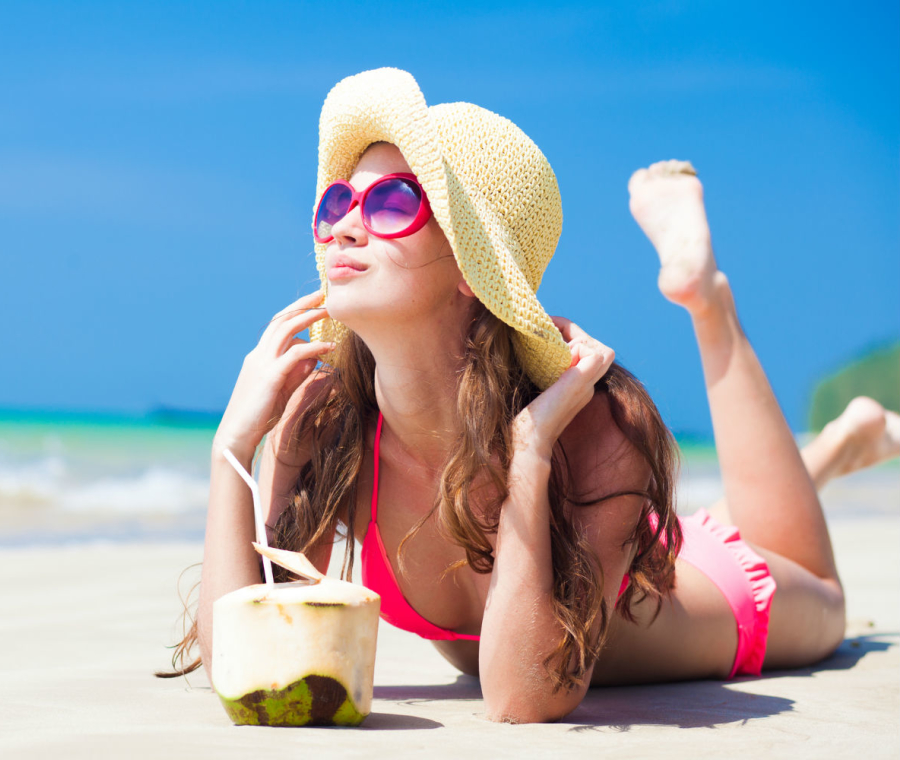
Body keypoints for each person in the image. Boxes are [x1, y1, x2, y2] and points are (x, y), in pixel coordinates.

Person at [154, 68, 900, 723]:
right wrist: (232, 449)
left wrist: (532, 453)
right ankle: (837, 447)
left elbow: (518, 699)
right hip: (628, 544)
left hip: (725, 596)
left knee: (825, 598)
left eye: (390, 203)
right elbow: (247, 662)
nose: (346, 221)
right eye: (338, 203)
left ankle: (706, 302)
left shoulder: (591, 429)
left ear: (472, 268)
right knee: (704, 525)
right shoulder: (331, 425)